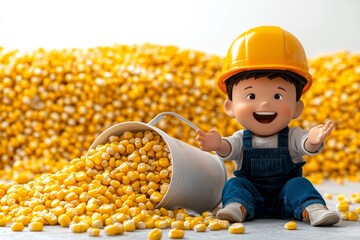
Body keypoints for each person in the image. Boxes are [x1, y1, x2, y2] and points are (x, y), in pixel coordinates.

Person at [196, 26, 340, 226]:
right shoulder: (240, 138)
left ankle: (312, 209)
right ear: (230, 107)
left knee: (299, 185)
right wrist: (217, 144)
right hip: (250, 197)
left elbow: (305, 145)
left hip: (287, 197)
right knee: (235, 184)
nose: (265, 104)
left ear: (297, 108)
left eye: (278, 96)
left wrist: (314, 140)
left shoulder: (293, 136)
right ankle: (236, 207)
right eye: (251, 96)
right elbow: (230, 149)